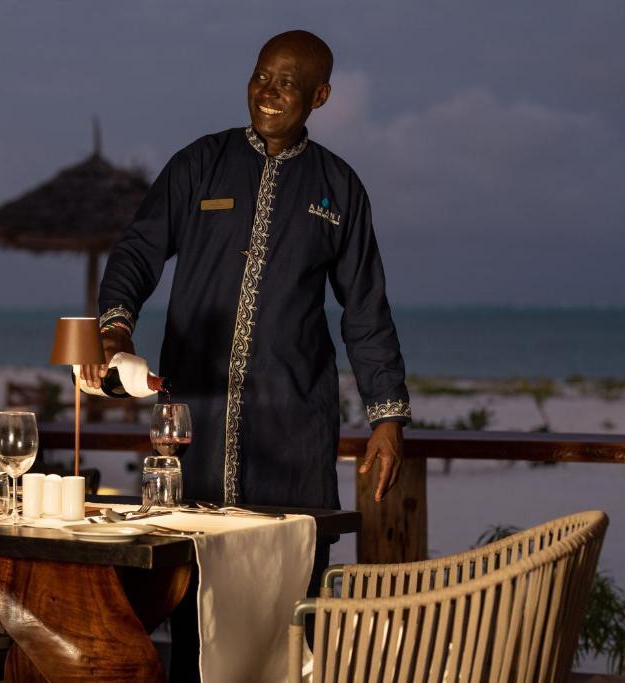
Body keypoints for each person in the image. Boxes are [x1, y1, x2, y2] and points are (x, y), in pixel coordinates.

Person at [85, 30, 411, 675]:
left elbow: (366, 308)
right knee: (190, 597)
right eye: (262, 75)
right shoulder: (199, 164)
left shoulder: (339, 188)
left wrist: (388, 417)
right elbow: (137, 251)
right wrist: (116, 327)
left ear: (319, 96)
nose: (268, 91)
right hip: (195, 425)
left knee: (290, 602)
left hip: (293, 429)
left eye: (287, 83)